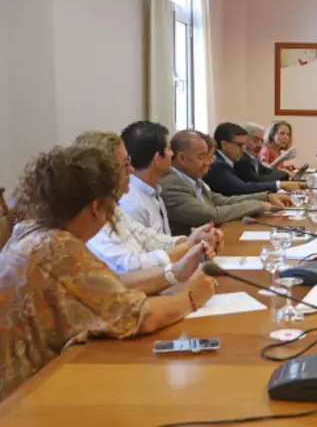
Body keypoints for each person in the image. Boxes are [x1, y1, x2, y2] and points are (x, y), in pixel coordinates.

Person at [0, 146, 217, 402]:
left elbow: (105, 286)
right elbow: (139, 317)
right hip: (28, 400)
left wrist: (175, 273)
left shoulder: (29, 232)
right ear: (96, 207)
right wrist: (192, 296)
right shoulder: (58, 249)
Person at [78, 130, 220, 278]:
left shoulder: (113, 209)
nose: (131, 170)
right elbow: (130, 270)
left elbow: (149, 239)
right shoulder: (94, 216)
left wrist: (195, 240)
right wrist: (190, 247)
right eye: (125, 164)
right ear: (103, 172)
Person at [160, 130, 290, 236]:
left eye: (208, 156)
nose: (208, 162)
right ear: (182, 158)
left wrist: (266, 196)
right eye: (202, 157)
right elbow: (210, 215)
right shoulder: (172, 184)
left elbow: (221, 201)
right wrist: (259, 205)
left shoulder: (192, 178)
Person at [203, 122, 303, 196]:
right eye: (240, 145)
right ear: (225, 144)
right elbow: (242, 188)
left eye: (262, 141)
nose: (243, 148)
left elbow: (267, 171)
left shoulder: (232, 160)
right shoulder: (218, 164)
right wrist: (280, 185)